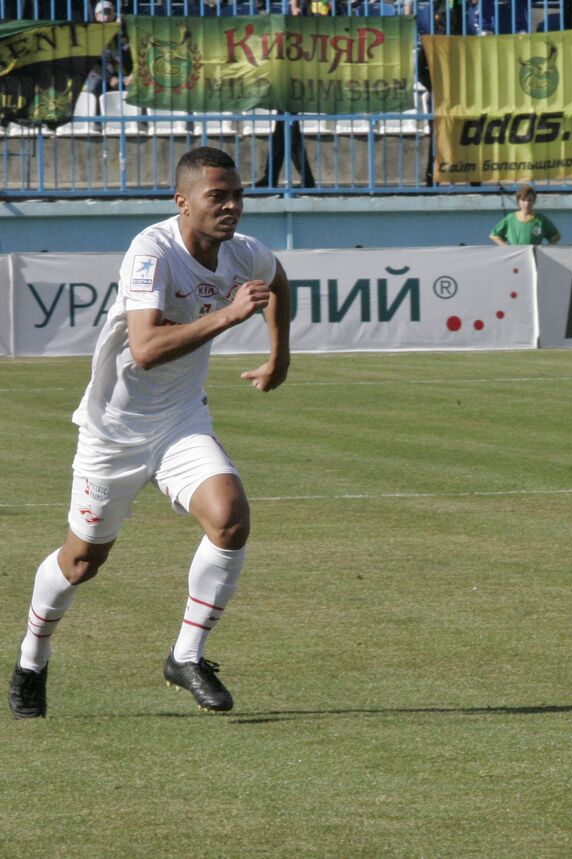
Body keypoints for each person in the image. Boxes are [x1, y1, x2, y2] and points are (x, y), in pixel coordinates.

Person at [7, 147, 292, 719]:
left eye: (237, 195)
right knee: (82, 562)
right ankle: (31, 657)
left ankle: (186, 655)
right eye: (218, 196)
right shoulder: (152, 251)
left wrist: (278, 357)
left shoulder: (245, 254)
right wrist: (229, 317)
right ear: (182, 202)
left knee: (231, 519)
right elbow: (146, 348)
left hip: (181, 420)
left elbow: (278, 279)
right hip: (113, 432)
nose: (232, 206)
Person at [255, 0, 316, 190]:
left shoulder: (302, 28)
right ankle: (273, 177)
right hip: (286, 85)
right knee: (283, 133)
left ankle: (305, 180)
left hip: (293, 86)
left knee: (289, 133)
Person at [489, 185, 561, 245]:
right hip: (516, 258)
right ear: (518, 201)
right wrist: (507, 248)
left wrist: (543, 250)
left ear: (534, 201)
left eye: (529, 200)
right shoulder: (510, 219)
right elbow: (494, 235)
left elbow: (555, 237)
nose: (526, 203)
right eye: (523, 200)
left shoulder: (541, 220)